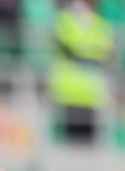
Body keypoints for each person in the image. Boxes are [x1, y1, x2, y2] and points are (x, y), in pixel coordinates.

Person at [49, 0, 113, 144]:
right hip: (69, 87)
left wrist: (85, 53)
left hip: (91, 89)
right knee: (69, 136)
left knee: (88, 135)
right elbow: (66, 46)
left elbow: (105, 49)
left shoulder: (100, 24)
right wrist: (88, 54)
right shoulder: (64, 21)